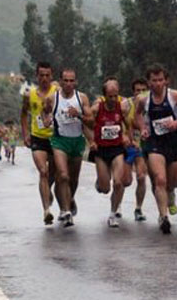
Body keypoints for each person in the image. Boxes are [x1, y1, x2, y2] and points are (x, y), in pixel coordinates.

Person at [135, 63, 177, 234]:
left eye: (161, 80)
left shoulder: (174, 96)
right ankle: (163, 217)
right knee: (159, 179)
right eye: (154, 80)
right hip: (155, 143)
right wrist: (143, 128)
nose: (158, 84)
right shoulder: (144, 99)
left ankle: (171, 193)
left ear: (166, 81)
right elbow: (138, 114)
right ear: (149, 82)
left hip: (173, 141)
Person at [43, 68, 92, 227]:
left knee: (73, 179)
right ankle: (65, 211)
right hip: (59, 141)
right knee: (63, 176)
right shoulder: (52, 98)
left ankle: (70, 198)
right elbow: (45, 112)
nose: (69, 84)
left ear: (75, 82)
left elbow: (91, 121)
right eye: (66, 80)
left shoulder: (82, 98)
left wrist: (78, 114)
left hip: (77, 141)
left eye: (72, 81)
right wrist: (47, 119)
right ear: (61, 81)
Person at [88, 77, 131, 227]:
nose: (113, 99)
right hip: (101, 150)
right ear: (104, 95)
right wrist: (91, 140)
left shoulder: (122, 108)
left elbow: (129, 126)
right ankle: (100, 183)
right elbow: (86, 124)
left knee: (119, 183)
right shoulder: (96, 108)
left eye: (115, 95)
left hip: (117, 148)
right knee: (105, 188)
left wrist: (127, 136)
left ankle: (113, 214)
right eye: (110, 96)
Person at [20, 61, 59, 225]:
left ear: (51, 76)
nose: (44, 78)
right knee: (43, 171)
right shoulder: (30, 94)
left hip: (56, 137)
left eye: (47, 75)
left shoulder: (57, 91)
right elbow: (23, 114)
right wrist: (26, 133)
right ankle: (46, 211)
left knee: (55, 173)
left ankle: (48, 190)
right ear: (37, 76)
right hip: (38, 138)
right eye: (41, 75)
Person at [122, 78, 149, 222]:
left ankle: (138, 208)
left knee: (141, 177)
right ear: (133, 92)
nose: (140, 93)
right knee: (125, 181)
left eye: (143, 90)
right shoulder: (125, 105)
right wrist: (124, 137)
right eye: (137, 90)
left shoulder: (151, 103)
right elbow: (117, 122)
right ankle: (117, 205)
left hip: (143, 146)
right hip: (128, 146)